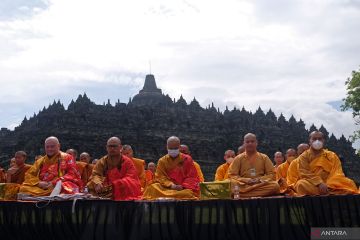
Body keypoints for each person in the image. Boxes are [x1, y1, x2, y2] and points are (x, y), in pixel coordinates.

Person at [295, 131, 358, 196]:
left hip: (332, 184)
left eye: (320, 139)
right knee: (300, 184)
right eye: (314, 139)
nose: (317, 141)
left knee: (350, 183)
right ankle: (331, 194)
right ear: (309, 141)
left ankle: (329, 192)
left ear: (323, 140)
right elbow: (304, 172)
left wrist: (329, 184)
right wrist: (319, 183)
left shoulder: (332, 155)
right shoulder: (303, 156)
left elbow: (337, 172)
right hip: (313, 184)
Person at [228, 133, 280, 198]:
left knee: (275, 186)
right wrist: (246, 180)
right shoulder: (238, 158)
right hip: (244, 185)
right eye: (247, 142)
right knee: (231, 184)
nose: (250, 143)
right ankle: (257, 194)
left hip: (259, 184)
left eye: (252, 141)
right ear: (244, 143)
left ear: (256, 143)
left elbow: (272, 174)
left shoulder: (264, 157)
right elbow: (232, 175)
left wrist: (259, 179)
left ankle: (242, 195)